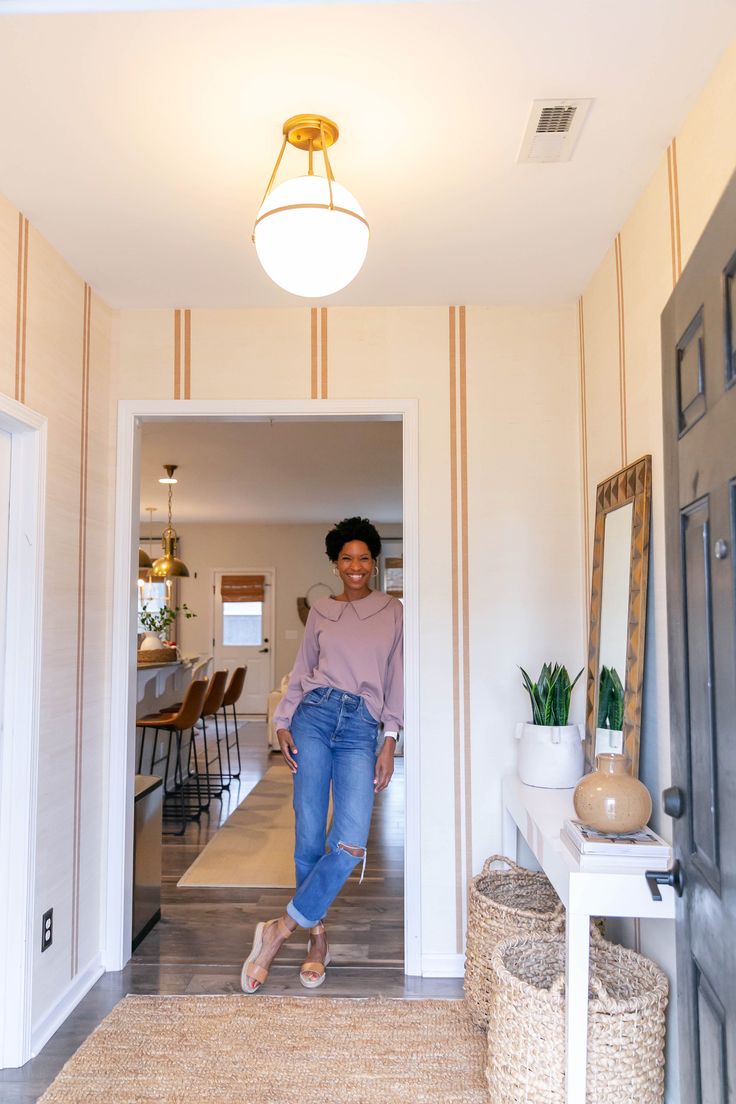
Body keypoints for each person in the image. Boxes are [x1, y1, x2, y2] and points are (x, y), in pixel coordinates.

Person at [240, 516, 403, 994]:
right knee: (309, 837)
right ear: (336, 563)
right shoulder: (320, 611)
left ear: (374, 563)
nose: (356, 567)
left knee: (350, 840)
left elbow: (397, 679)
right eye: (347, 558)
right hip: (312, 717)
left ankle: (278, 932)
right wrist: (282, 721)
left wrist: (389, 740)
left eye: (364, 558)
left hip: (360, 727)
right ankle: (318, 941)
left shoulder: (393, 610)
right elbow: (301, 669)